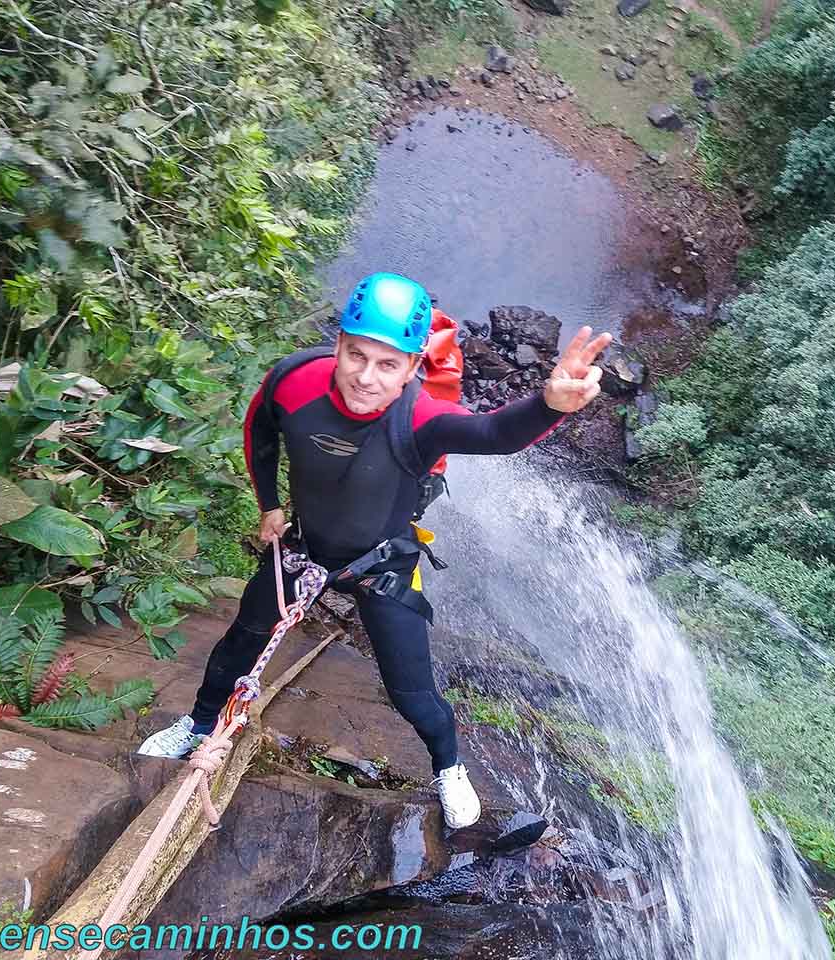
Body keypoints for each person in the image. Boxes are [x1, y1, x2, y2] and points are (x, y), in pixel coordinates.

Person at [137, 271, 612, 829]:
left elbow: (493, 435)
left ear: (413, 368)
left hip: (380, 565)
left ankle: (449, 765)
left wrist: (550, 404)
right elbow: (259, 429)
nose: (366, 377)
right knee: (241, 642)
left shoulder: (422, 419)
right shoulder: (294, 380)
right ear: (338, 344)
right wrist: (268, 503)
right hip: (304, 551)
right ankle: (196, 725)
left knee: (412, 691)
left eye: (388, 364)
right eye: (356, 355)